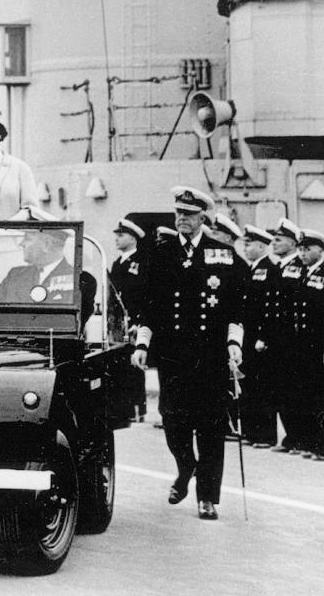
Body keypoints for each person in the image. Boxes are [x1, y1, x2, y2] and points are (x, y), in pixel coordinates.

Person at [131, 186, 246, 521]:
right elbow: (148, 307)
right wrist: (142, 344)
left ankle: (207, 496)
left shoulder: (221, 254)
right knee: (172, 419)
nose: (182, 219)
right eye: (179, 213)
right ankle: (186, 468)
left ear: (202, 218)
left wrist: (234, 343)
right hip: (172, 355)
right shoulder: (161, 253)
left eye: (189, 214)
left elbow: (236, 307)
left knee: (210, 425)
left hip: (209, 355)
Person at [292, 229, 324, 460]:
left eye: (307, 249)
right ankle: (309, 441)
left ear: (320, 250)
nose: (302, 253)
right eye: (300, 249)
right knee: (306, 393)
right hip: (302, 346)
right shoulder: (303, 274)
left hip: (318, 345)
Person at [264, 218, 305, 453]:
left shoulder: (297, 267)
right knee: (279, 390)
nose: (274, 243)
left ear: (291, 242)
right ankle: (290, 437)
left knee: (292, 391)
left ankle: (297, 437)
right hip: (277, 340)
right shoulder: (279, 267)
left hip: (290, 341)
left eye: (278, 240)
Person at [240, 224, 277, 448]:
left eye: (249, 244)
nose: (245, 248)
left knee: (261, 386)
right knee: (249, 384)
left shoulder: (268, 270)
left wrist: (263, 336)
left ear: (262, 246)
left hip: (258, 337)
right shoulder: (251, 269)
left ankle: (265, 435)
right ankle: (252, 432)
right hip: (247, 335)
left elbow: (268, 308)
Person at [109, 218, 148, 421]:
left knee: (135, 364)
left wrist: (139, 321)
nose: (116, 239)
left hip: (133, 321)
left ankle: (138, 407)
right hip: (117, 322)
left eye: (121, 235)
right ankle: (124, 406)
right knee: (120, 363)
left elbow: (143, 294)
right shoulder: (118, 263)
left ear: (132, 238)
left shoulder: (141, 261)